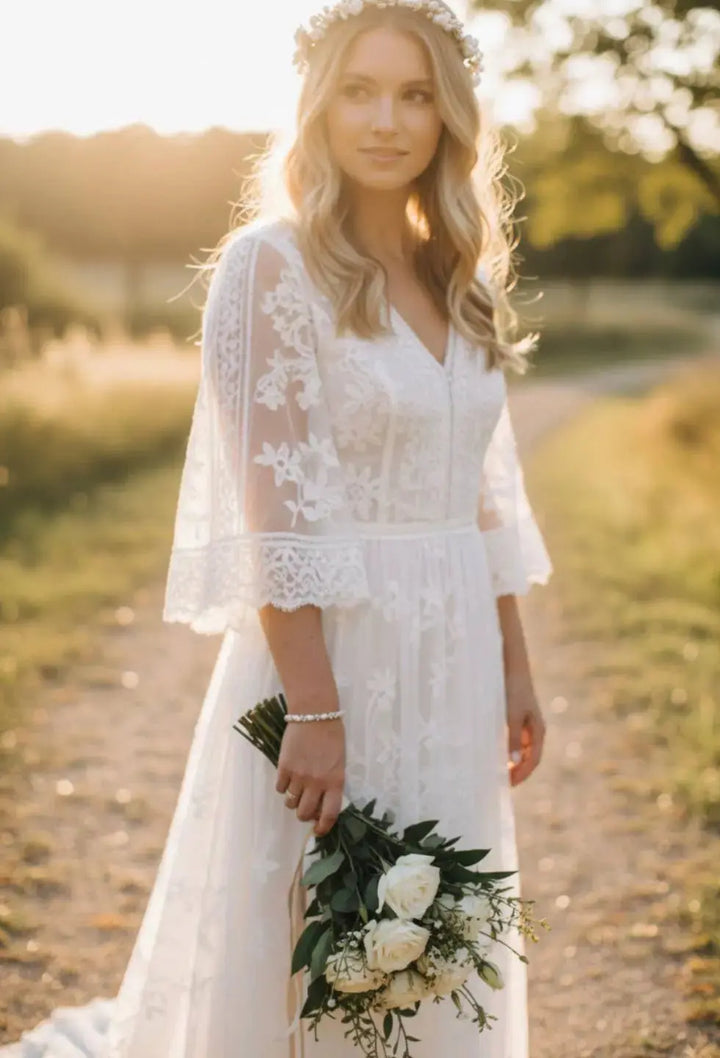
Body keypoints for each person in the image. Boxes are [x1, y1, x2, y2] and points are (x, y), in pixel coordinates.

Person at [1, 1, 552, 1055]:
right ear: (316, 105)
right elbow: (277, 503)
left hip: (458, 651)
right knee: (323, 924)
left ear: (450, 117)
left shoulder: (461, 278)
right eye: (359, 90)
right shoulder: (272, 268)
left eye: (414, 94)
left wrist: (516, 663)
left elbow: (486, 491)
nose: (386, 120)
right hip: (336, 648)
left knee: (432, 921)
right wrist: (315, 706)